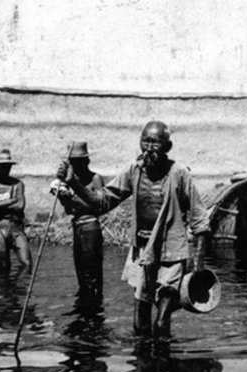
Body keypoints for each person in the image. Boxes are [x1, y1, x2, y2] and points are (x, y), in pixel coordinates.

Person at [59, 120, 210, 338]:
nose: (149, 148)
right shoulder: (133, 171)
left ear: (167, 146)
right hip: (142, 251)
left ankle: (164, 366)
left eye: (155, 142)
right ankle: (144, 368)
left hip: (172, 252)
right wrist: (74, 183)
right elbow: (102, 202)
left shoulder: (179, 173)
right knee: (140, 325)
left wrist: (198, 265)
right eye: (145, 141)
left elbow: (199, 220)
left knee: (161, 322)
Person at [52, 141, 105, 300]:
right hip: (77, 228)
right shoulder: (70, 181)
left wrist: (73, 198)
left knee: (92, 273)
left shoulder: (95, 179)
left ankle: (95, 309)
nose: (74, 165)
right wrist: (63, 197)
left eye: (77, 162)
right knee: (81, 275)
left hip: (90, 228)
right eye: (72, 162)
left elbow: (99, 206)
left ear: (86, 161)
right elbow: (69, 209)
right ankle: (84, 308)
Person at [0, 148, 33, 273]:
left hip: (16, 227)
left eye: (7, 166)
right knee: (3, 265)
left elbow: (20, 205)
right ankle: (4, 290)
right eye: (1, 167)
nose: (4, 169)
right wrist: (10, 201)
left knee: (27, 263)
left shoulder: (17, 184)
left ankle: (20, 290)